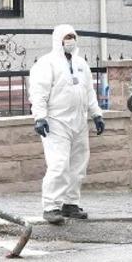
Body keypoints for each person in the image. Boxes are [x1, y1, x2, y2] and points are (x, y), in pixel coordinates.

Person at [29, 24, 104, 225]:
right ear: (58, 40)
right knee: (59, 164)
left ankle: (70, 203)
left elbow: (88, 91)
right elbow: (39, 93)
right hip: (56, 122)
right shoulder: (47, 64)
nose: (70, 40)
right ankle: (51, 206)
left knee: (79, 164)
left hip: (79, 121)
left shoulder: (81, 64)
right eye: (66, 37)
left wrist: (96, 114)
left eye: (72, 36)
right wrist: (40, 117)